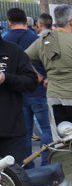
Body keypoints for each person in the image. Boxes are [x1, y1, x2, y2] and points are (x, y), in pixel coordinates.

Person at [25, 5, 72, 141]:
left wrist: (41, 78)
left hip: (55, 97)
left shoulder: (43, 41)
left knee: (63, 143)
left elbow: (23, 59)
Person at [3, 7, 52, 165]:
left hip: (14, 117)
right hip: (36, 94)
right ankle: (41, 164)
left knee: (29, 134)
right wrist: (44, 77)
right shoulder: (34, 38)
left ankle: (32, 167)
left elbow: (30, 78)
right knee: (45, 130)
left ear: (9, 22)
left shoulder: (10, 46)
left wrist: (6, 78)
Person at [0, 30, 39, 163]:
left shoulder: (13, 51)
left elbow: (32, 81)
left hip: (11, 133)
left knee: (16, 179)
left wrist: (6, 78)